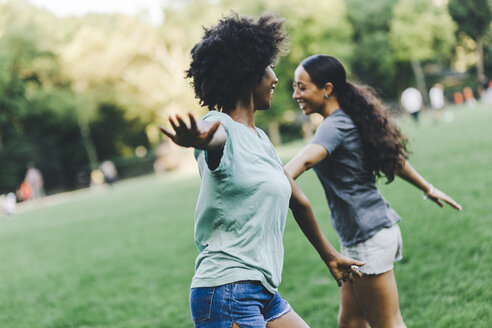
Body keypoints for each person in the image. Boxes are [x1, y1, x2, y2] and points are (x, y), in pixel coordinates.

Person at [160, 14, 364, 328]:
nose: (275, 78)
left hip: (262, 289)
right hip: (226, 291)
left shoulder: (261, 141)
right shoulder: (219, 127)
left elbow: (299, 202)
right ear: (247, 74)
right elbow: (213, 137)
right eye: (268, 68)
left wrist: (331, 256)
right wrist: (198, 140)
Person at [287, 55, 462, 328]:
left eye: (302, 87)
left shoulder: (334, 126)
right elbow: (392, 159)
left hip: (367, 238)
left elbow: (305, 160)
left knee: (388, 323)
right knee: (351, 321)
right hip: (365, 233)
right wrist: (427, 187)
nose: (296, 94)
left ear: (327, 88)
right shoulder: (348, 118)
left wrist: (269, 180)